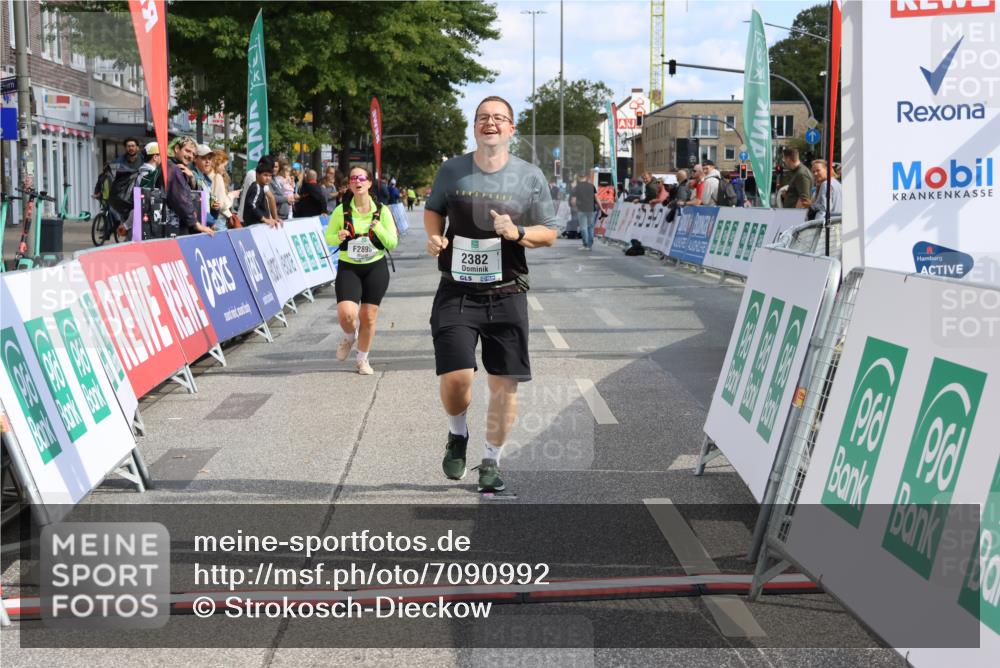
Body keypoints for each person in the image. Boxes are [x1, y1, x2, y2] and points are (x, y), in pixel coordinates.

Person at [424, 95, 558, 493]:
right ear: (475, 126)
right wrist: (434, 235)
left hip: (506, 292)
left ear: (511, 128)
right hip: (457, 291)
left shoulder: (530, 176)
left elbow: (549, 232)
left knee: (503, 385)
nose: (491, 123)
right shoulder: (452, 170)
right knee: (456, 379)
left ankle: (491, 462)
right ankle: (457, 433)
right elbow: (434, 209)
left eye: (499, 118)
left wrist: (517, 232)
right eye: (483, 117)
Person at [325, 166, 399, 375]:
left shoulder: (382, 211)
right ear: (349, 184)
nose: (357, 181)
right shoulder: (341, 211)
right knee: (347, 314)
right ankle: (350, 336)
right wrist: (338, 237)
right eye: (353, 179)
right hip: (349, 267)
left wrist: (378, 228)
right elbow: (329, 238)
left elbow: (392, 243)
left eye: (361, 178)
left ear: (369, 183)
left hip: (375, 267)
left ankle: (362, 360)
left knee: (368, 316)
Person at [164, 136, 215, 237]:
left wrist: (192, 179)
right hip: (175, 228)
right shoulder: (174, 169)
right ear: (177, 148)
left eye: (193, 154)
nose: (190, 156)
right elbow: (181, 199)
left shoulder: (177, 168)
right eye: (187, 151)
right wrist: (196, 224)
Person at [241, 155, 281, 228]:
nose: (268, 178)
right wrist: (264, 219)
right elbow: (252, 204)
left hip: (257, 225)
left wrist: (273, 218)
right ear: (257, 174)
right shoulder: (257, 186)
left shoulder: (260, 186)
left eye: (270, 175)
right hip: (253, 225)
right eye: (265, 175)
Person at [571, 172, 598, 250]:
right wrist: (601, 208)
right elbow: (596, 198)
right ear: (586, 177)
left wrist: (575, 207)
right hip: (591, 209)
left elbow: (573, 201)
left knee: (583, 227)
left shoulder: (576, 187)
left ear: (579, 178)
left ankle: (585, 244)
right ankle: (590, 245)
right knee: (591, 227)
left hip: (581, 209)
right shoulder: (592, 186)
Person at [210, 150, 235, 230]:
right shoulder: (218, 177)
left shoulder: (209, 176)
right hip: (219, 219)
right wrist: (232, 195)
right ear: (217, 163)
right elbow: (222, 204)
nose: (224, 169)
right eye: (223, 166)